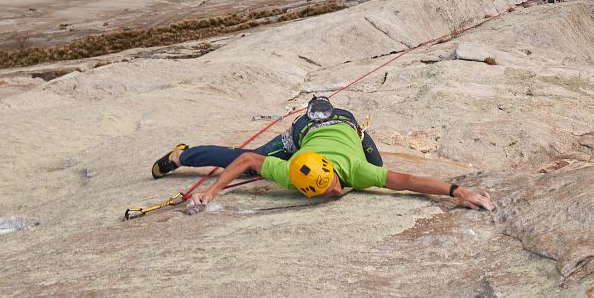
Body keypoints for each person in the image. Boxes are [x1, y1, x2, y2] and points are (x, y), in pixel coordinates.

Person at [151, 96, 495, 212]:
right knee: (247, 164)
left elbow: (406, 180)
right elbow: (247, 160)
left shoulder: (355, 169)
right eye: (326, 190)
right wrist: (210, 192)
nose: (335, 191)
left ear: (331, 169)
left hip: (345, 123)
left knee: (379, 167)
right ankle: (182, 156)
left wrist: (458, 191)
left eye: (331, 185)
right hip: (303, 132)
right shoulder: (290, 172)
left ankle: (360, 136)